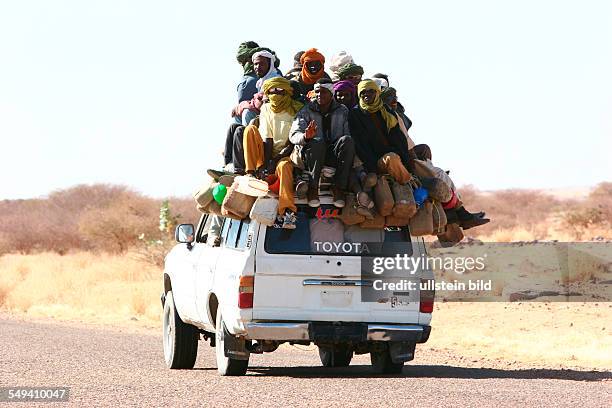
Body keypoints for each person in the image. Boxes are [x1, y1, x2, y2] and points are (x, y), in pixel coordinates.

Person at [242, 77, 304, 229]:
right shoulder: (266, 108)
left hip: (287, 154)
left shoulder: (297, 109)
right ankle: (250, 172)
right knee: (250, 130)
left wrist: (275, 161)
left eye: (279, 90)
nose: (276, 94)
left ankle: (288, 213)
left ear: (287, 91)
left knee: (284, 167)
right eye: (272, 91)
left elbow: (292, 141)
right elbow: (267, 138)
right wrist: (266, 164)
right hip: (266, 153)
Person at [290, 79, 355, 208]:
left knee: (348, 141)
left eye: (323, 92)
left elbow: (348, 134)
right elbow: (293, 135)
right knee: (317, 142)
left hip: (332, 154)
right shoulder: (306, 110)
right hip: (312, 154)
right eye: (317, 92)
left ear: (331, 94)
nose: (319, 95)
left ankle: (338, 188)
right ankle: (313, 189)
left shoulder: (342, 111)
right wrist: (305, 136)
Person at [348, 80, 416, 185]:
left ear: (377, 93)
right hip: (375, 161)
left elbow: (399, 138)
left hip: (395, 155)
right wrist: (374, 167)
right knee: (391, 158)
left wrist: (402, 156)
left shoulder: (386, 111)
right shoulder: (356, 114)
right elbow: (361, 144)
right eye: (363, 92)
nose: (366, 94)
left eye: (371, 91)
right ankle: (408, 183)